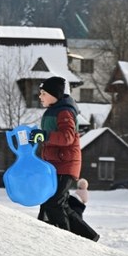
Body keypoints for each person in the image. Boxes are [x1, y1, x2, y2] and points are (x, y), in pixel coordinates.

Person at [32, 75, 82, 233]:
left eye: (44, 93)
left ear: (54, 95)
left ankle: (64, 238)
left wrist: (45, 136)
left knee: (54, 202)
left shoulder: (65, 112)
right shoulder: (54, 111)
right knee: (54, 202)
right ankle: (88, 237)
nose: (40, 97)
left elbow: (67, 137)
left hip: (65, 165)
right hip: (56, 165)